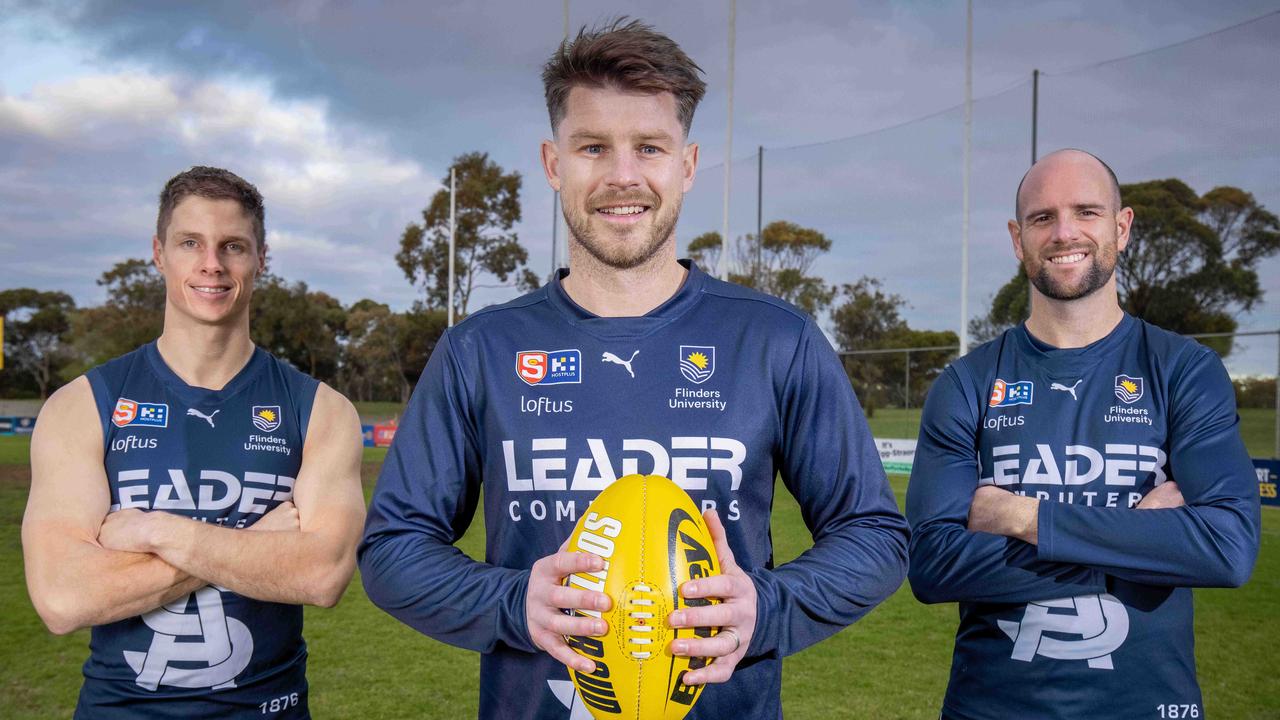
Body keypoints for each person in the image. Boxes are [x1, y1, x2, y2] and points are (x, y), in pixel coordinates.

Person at [359, 18, 908, 720]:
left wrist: (765, 607)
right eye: (593, 147)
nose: (623, 176)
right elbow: (392, 549)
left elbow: (874, 533)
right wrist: (509, 601)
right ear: (555, 163)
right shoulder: (480, 350)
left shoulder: (775, 340)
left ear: (686, 162)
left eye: (649, 147)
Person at [906, 148, 1261, 719]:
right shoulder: (966, 384)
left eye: (1087, 212)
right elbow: (932, 565)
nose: (1064, 232)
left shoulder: (1184, 370)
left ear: (1122, 228)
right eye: (1042, 217)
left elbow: (1226, 548)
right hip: (994, 708)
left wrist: (1025, 519)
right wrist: (1142, 536)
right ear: (1017, 238)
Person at [22, 166, 366, 718]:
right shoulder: (82, 406)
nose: (212, 264)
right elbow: (63, 599)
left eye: (233, 246)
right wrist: (255, 543)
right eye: (191, 243)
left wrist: (156, 530)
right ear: (159, 253)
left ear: (261, 259)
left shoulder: (321, 410)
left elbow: (322, 576)